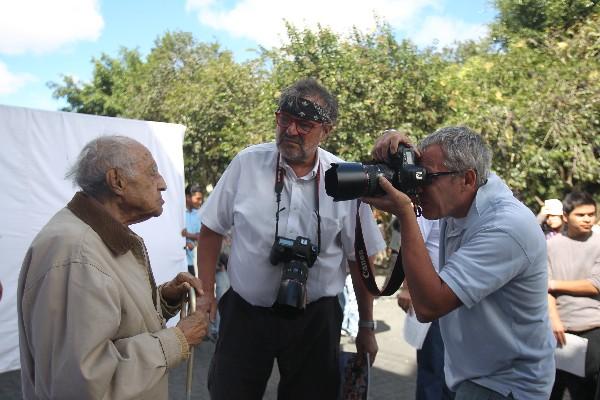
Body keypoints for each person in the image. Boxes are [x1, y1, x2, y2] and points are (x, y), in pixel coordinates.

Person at [196, 78, 385, 400]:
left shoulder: (347, 178)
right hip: (245, 314)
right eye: (285, 120)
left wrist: (366, 325)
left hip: (317, 319)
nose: (291, 130)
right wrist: (207, 295)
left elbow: (358, 257)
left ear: (327, 130)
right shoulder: (247, 163)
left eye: (305, 124)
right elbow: (211, 229)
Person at [364, 126, 555, 399]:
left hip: (505, 384)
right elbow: (434, 167)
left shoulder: (506, 227)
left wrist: (406, 213)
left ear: (467, 179)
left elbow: (429, 306)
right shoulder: (461, 194)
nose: (418, 185)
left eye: (426, 178)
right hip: (472, 371)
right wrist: (395, 144)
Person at [17, 135, 208, 399]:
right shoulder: (76, 253)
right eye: (152, 172)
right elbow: (83, 382)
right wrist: (177, 341)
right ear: (117, 181)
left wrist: (163, 299)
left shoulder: (96, 239)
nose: (162, 183)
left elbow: (113, 321)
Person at [547, 191, 600, 399]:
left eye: (591, 214)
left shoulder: (598, 243)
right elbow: (542, 288)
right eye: (581, 215)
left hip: (593, 327)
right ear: (566, 217)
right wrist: (554, 319)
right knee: (552, 389)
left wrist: (554, 284)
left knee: (585, 391)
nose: (588, 219)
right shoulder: (549, 245)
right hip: (558, 330)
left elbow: (595, 285)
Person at [396, 216, 453, 400]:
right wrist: (407, 287)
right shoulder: (428, 206)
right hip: (433, 300)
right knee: (434, 369)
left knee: (453, 374)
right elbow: (410, 243)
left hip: (457, 300)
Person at [182, 183, 203, 275]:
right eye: (198, 199)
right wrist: (183, 242)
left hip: (190, 261)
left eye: (201, 199)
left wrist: (188, 236)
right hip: (177, 261)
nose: (200, 202)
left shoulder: (198, 214)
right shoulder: (178, 212)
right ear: (187, 197)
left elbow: (201, 236)